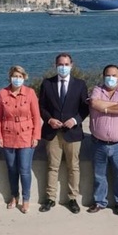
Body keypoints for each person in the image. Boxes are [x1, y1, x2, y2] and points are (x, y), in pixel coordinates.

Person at [38, 53, 90, 214]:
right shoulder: (47, 83)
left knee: (73, 167)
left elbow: (85, 108)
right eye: (60, 64)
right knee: (52, 167)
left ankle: (72, 198)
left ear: (71, 65)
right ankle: (50, 198)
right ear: (55, 65)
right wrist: (49, 120)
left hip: (72, 133)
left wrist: (75, 120)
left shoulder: (80, 84)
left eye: (66, 64)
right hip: (52, 133)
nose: (63, 67)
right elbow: (41, 107)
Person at [87, 64, 118, 215]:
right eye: (108, 75)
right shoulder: (97, 90)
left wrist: (104, 107)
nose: (111, 78)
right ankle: (99, 202)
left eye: (114, 75)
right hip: (98, 143)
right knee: (99, 175)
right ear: (103, 76)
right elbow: (94, 103)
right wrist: (116, 106)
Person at [0, 65, 41, 214]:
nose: (17, 79)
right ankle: (14, 196)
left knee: (25, 170)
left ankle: (26, 199)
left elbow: (36, 116)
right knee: (12, 169)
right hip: (8, 136)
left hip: (26, 136)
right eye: (15, 76)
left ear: (24, 77)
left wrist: (36, 136)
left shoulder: (30, 93)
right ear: (10, 77)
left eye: (20, 76)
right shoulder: (2, 94)